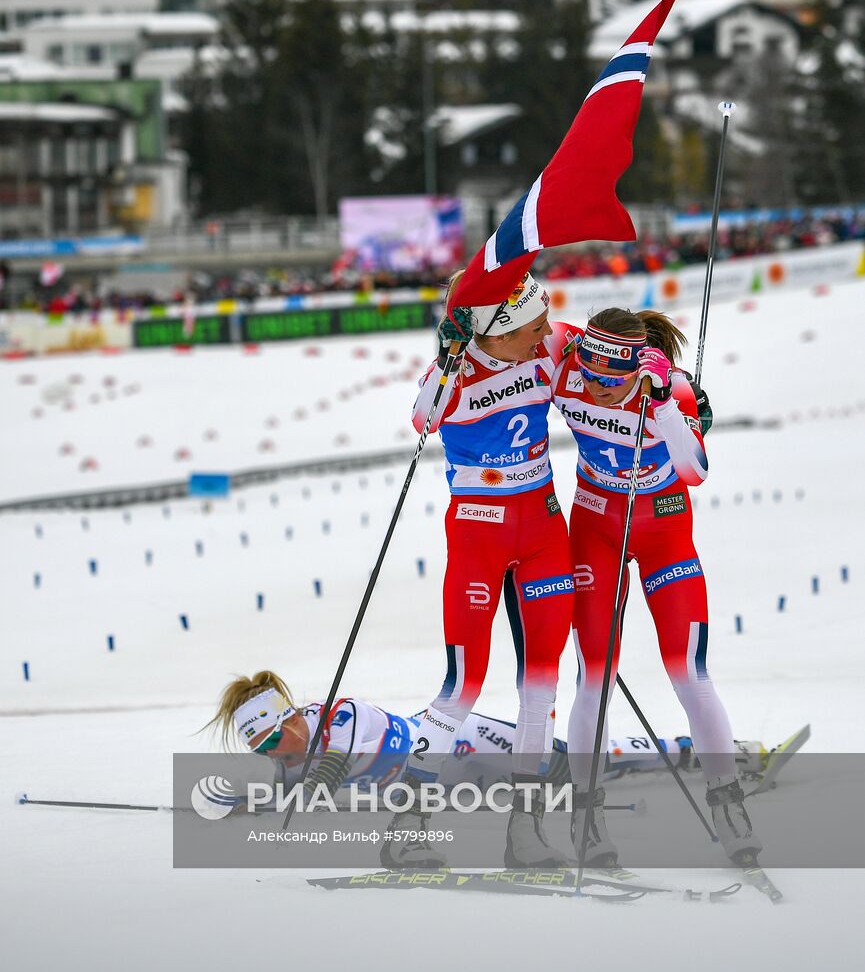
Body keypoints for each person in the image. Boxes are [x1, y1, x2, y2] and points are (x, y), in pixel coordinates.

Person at [551, 307, 761, 866]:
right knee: (594, 676)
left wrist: (666, 401)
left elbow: (694, 471)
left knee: (688, 671)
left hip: (665, 530)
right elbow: (507, 326)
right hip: (596, 531)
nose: (594, 385)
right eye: (588, 372)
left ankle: (727, 802)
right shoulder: (568, 359)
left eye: (609, 378)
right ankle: (587, 816)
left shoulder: (669, 388)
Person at [393, 269, 581, 869]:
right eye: (530, 329)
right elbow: (423, 417)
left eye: (545, 323)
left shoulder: (550, 344)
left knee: (541, 691)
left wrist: (672, 386)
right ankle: (408, 822)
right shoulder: (459, 369)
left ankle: (525, 832)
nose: (545, 336)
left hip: (545, 530)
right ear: (494, 336)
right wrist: (447, 356)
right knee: (462, 688)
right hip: (479, 531)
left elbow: (621, 358)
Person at [206, 671, 783, 800]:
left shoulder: (339, 715)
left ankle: (715, 752)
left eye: (274, 739)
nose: (274, 752)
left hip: (468, 744)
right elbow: (287, 790)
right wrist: (244, 800)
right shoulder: (285, 755)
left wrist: (300, 793)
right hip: (450, 790)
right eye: (260, 749)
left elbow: (329, 770)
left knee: (588, 762)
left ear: (292, 718)